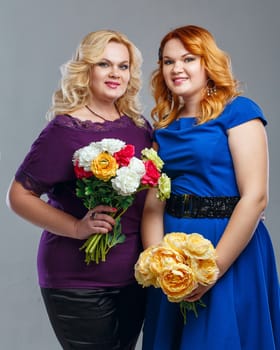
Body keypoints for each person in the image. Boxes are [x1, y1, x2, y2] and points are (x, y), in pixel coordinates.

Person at [7, 29, 153, 350]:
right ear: (86, 69)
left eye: (123, 66)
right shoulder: (64, 129)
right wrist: (76, 227)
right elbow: (18, 197)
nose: (115, 73)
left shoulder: (140, 127)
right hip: (77, 282)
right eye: (104, 64)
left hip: (134, 279)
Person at [141, 25, 280, 349]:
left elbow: (255, 197)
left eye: (188, 58)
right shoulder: (163, 129)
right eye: (168, 61)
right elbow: (152, 206)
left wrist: (211, 270)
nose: (177, 68)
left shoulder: (239, 111)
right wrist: (160, 264)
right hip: (173, 250)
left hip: (228, 245)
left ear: (208, 62)